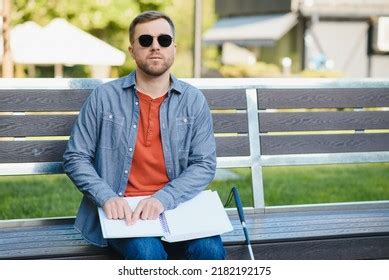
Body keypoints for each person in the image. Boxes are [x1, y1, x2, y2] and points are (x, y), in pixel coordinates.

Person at [63, 10, 225, 260]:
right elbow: (76, 157)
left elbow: (204, 164)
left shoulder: (193, 100)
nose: (155, 47)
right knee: (146, 252)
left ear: (174, 47)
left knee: (210, 250)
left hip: (179, 208)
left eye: (164, 40)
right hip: (125, 214)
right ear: (132, 50)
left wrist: (164, 198)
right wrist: (105, 197)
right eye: (146, 40)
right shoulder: (104, 98)